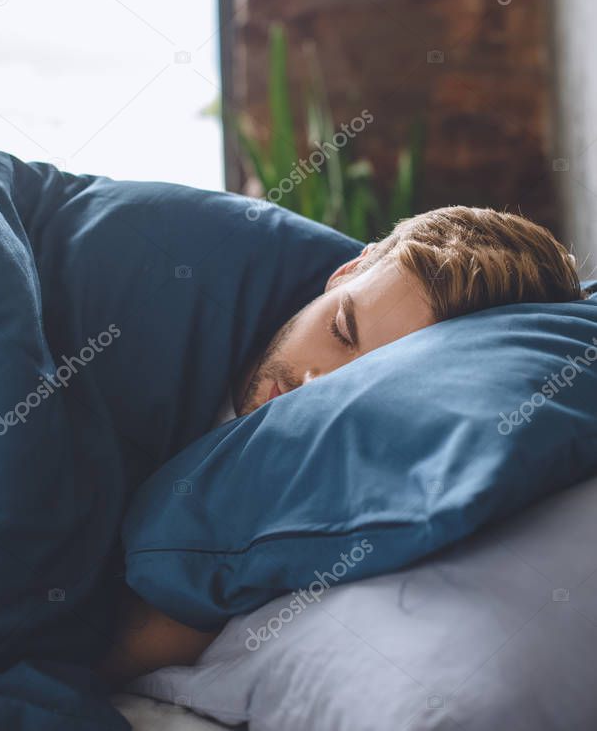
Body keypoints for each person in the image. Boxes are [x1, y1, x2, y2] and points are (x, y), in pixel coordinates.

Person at [99, 205, 583, 685]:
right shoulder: (184, 262)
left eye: (361, 387)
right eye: (341, 331)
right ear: (349, 269)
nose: (313, 386)